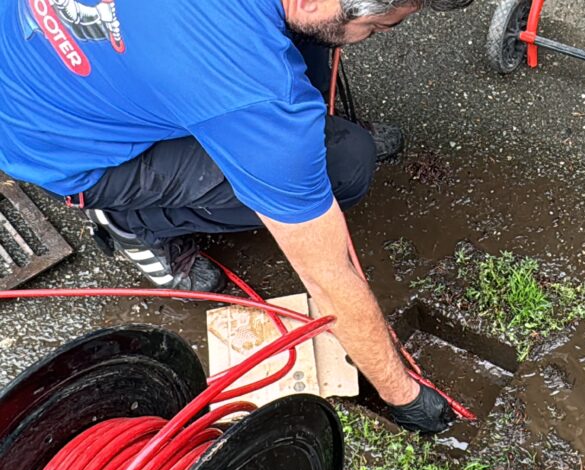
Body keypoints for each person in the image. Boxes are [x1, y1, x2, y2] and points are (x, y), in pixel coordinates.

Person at [0, 0, 473, 433]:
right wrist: (402, 395)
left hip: (54, 62)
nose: (371, 36)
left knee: (312, 44)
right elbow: (328, 276)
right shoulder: (240, 78)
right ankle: (136, 224)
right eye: (372, 28)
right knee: (343, 167)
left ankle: (298, 125)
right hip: (64, 148)